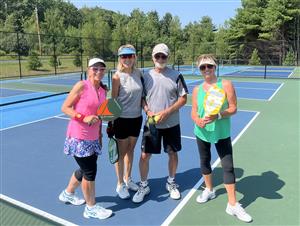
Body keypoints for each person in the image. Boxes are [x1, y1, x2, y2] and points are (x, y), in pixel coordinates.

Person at [191, 54, 252, 223]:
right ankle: (209, 189)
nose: (206, 70)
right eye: (203, 67)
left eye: (209, 66)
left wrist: (218, 115)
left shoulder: (225, 84)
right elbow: (194, 111)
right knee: (205, 161)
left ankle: (232, 204)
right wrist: (197, 120)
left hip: (221, 132)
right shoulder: (197, 90)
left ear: (215, 67)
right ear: (199, 70)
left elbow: (233, 108)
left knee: (228, 166)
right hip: (202, 132)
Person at [132, 43, 188, 203]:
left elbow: (183, 98)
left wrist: (166, 112)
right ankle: (143, 185)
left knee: (172, 153)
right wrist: (148, 112)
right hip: (151, 123)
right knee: (144, 155)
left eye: (163, 56)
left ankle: (171, 183)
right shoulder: (146, 76)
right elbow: (142, 98)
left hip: (172, 124)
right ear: (153, 57)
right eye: (158, 56)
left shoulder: (177, 75)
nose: (160, 59)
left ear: (167, 57)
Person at [59, 58, 112, 220]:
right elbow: (65, 107)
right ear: (88, 70)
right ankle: (90, 208)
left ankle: (68, 193)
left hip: (94, 137)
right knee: (90, 171)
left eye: (102, 69)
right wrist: (83, 117)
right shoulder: (81, 86)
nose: (98, 72)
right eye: (95, 68)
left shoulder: (103, 90)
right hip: (79, 137)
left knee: (84, 169)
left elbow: (100, 115)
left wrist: (100, 134)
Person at [109, 44, 143, 199]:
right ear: (120, 59)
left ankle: (128, 179)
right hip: (121, 120)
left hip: (137, 119)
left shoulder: (139, 74)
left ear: (134, 57)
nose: (127, 59)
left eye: (130, 56)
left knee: (131, 150)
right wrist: (111, 123)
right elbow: (113, 100)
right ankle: (120, 184)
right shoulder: (116, 77)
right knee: (121, 154)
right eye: (124, 56)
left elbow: (143, 96)